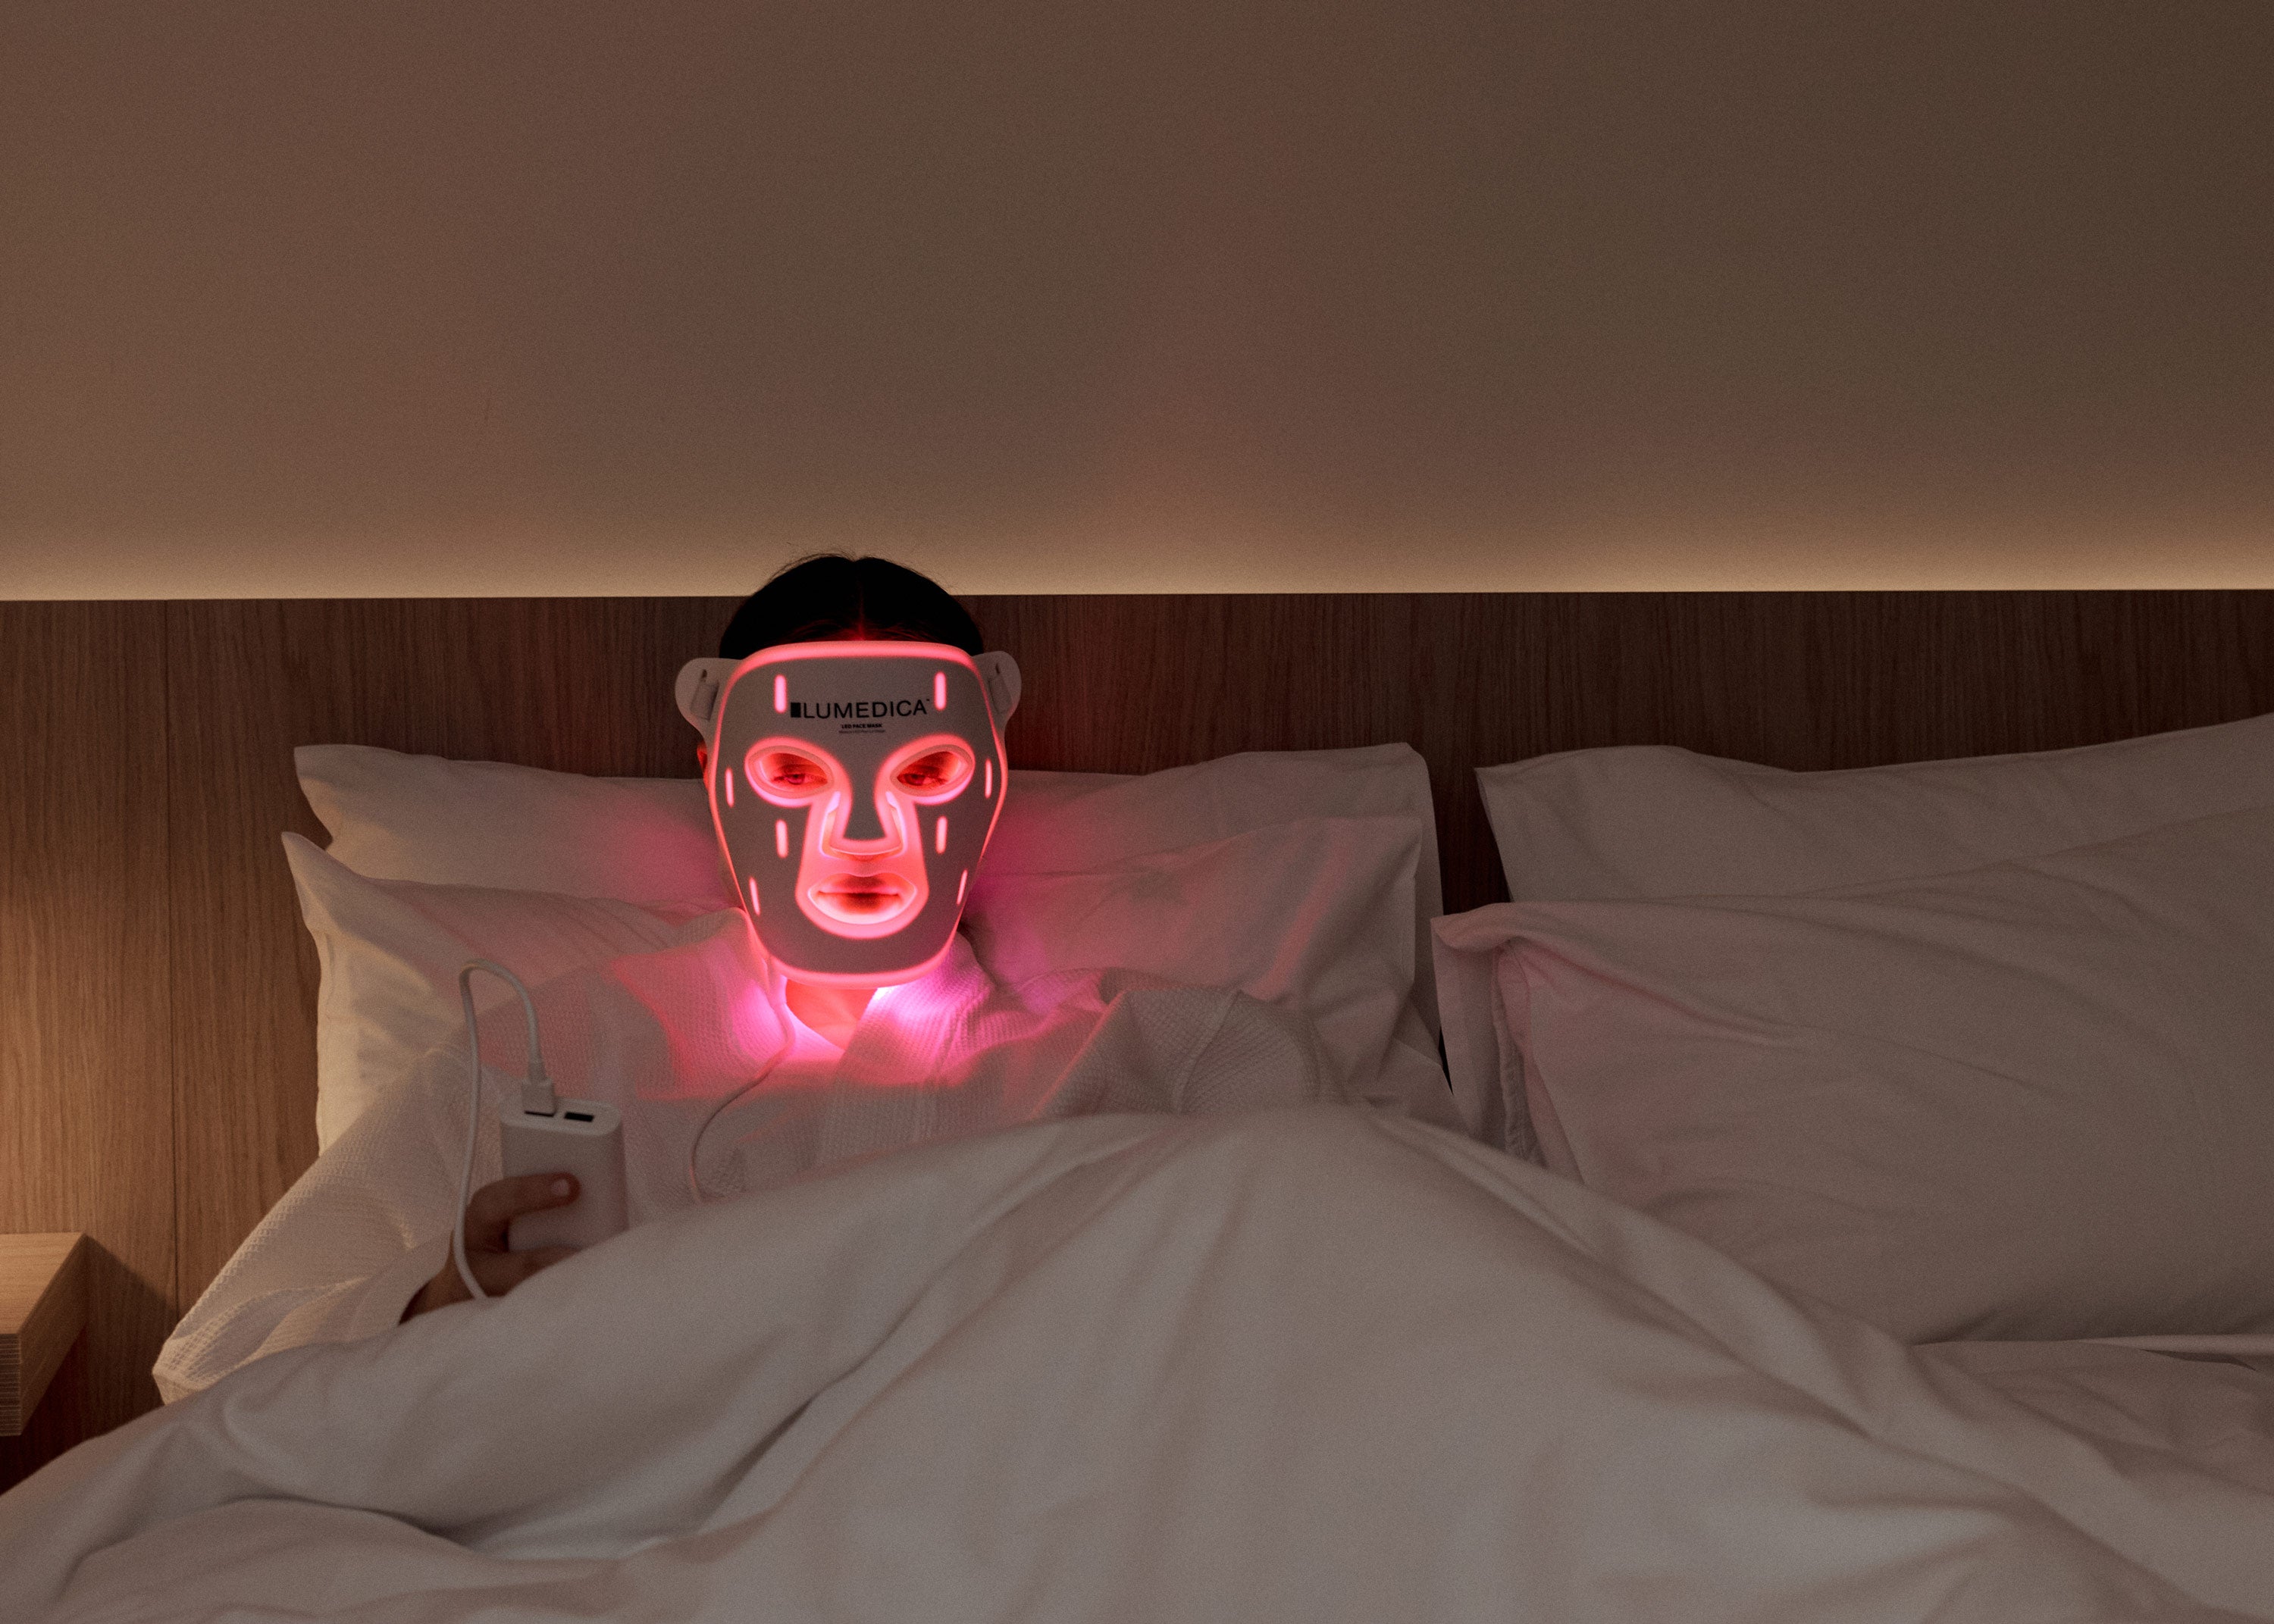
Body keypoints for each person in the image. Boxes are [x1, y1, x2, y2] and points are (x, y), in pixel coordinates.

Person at [155, 556, 1349, 1396]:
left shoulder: (1166, 1054)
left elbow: (1365, 1309)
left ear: (993, 767)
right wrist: (428, 1305)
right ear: (716, 768)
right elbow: (214, 1367)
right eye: (796, 774)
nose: (865, 830)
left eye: (924, 773)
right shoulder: (547, 1057)